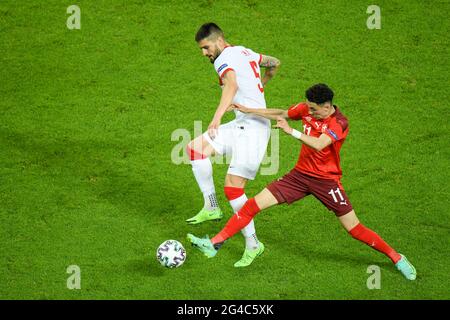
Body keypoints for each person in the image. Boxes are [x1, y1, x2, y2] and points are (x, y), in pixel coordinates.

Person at [187, 83, 417, 280]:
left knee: (354, 228)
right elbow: (283, 113)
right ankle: (215, 243)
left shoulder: (339, 123)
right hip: (298, 177)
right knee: (250, 206)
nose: (309, 112)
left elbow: (319, 144)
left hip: (327, 182)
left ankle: (396, 257)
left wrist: (291, 132)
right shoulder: (307, 109)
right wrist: (249, 110)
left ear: (327, 107)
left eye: (314, 109)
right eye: (308, 107)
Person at [185, 23, 281, 267]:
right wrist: (260, 84)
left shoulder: (223, 58)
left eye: (206, 47)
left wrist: (217, 117)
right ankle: (211, 206)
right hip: (243, 123)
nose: (204, 53)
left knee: (234, 189)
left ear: (218, 41)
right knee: (195, 149)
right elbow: (274, 62)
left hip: (255, 130)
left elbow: (231, 84)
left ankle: (253, 245)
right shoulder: (244, 52)